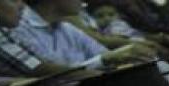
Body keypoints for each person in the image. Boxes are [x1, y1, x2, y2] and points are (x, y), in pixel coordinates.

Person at [11, 0, 154, 68]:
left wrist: (120, 60)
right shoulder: (20, 29)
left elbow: (102, 53)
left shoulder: (66, 28)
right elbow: (56, 75)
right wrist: (107, 60)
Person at [0, 0, 72, 76]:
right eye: (14, 0)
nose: (22, 6)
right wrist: (82, 73)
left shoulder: (4, 29)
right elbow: (36, 67)